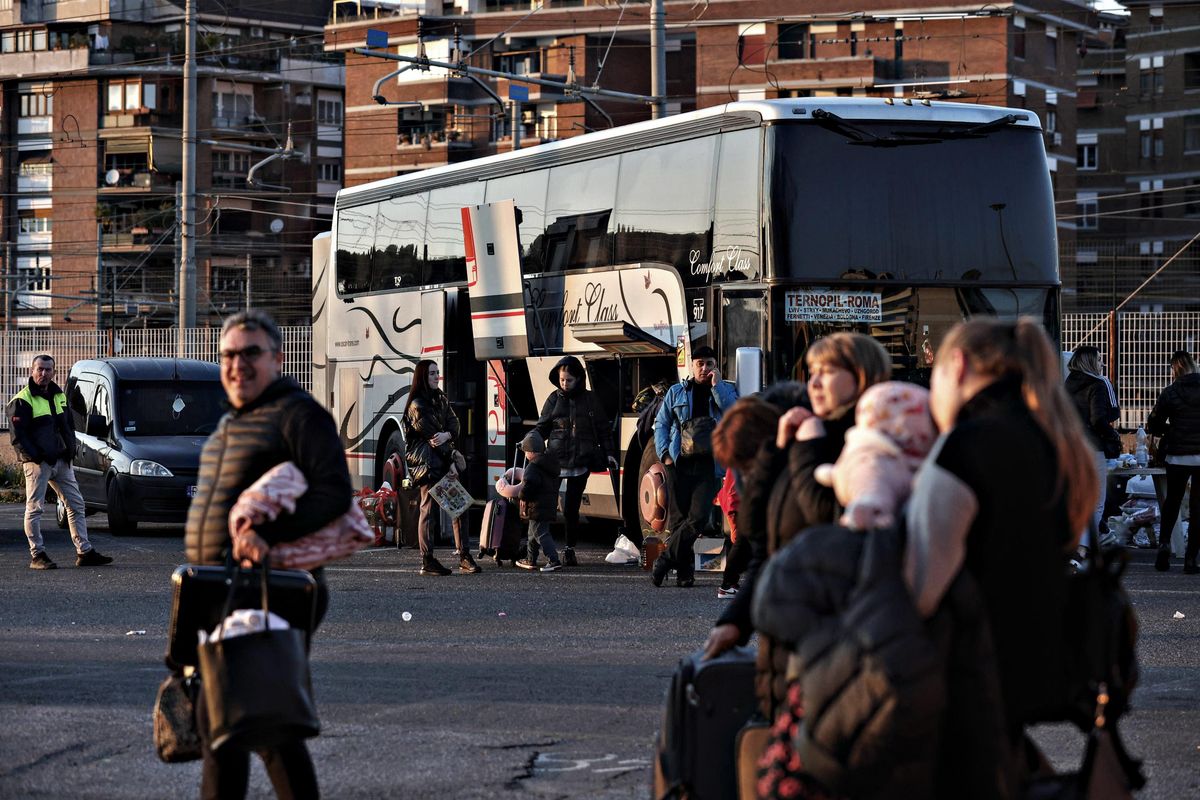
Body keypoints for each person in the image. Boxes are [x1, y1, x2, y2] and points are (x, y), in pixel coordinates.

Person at [904, 317, 1098, 776]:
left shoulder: (966, 447)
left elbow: (920, 590)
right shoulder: (1056, 442)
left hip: (961, 677)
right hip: (1029, 671)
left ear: (957, 365)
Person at [185, 309, 352, 800]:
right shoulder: (229, 423)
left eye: (250, 353)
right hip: (220, 591)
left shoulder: (298, 415)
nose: (237, 364)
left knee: (255, 721)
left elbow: (334, 492)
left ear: (276, 359)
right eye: (228, 355)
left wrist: (269, 534)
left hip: (272, 589)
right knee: (238, 726)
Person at [9, 354, 112, 570]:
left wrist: (70, 451)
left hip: (62, 461)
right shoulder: (22, 399)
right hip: (38, 464)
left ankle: (84, 552)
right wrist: (37, 457)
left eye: (48, 369)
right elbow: (18, 437)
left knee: (76, 504)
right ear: (32, 371)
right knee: (35, 509)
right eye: (40, 369)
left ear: (54, 372)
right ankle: (37, 555)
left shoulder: (59, 396)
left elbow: (68, 426)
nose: (44, 373)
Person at [652, 345, 739, 587]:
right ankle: (684, 574)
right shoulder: (677, 392)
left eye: (709, 364)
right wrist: (665, 455)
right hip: (679, 463)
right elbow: (661, 423)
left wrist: (717, 387)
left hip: (709, 465)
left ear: (716, 367)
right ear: (692, 365)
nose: (704, 368)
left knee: (698, 518)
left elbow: (734, 414)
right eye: (700, 363)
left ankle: (664, 560)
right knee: (679, 520)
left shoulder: (726, 390)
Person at [534, 356, 617, 567]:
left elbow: (603, 429)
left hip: (581, 461)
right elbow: (542, 427)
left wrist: (610, 453)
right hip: (555, 461)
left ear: (579, 378)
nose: (565, 384)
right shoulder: (553, 399)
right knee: (545, 506)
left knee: (571, 510)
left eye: (569, 380)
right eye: (562, 380)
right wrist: (530, 443)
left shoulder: (590, 399)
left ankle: (569, 549)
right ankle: (533, 549)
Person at [403, 359, 481, 577]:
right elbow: (432, 436)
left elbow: (454, 425)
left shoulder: (440, 398)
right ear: (422, 377)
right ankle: (427, 560)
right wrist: (452, 461)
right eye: (431, 373)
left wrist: (448, 435)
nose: (437, 376)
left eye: (437, 372)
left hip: (442, 462)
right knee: (428, 512)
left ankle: (464, 556)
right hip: (428, 465)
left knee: (459, 508)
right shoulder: (417, 405)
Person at [710, 396, 783, 599]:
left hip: (741, 501)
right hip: (743, 502)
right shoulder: (756, 442)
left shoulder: (746, 438)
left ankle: (733, 583)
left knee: (745, 543)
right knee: (745, 543)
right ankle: (729, 584)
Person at [1146, 349, 1200, 573]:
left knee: (1172, 501)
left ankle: (1165, 545)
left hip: (1177, 455)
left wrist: (1171, 429)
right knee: (1198, 507)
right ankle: (1191, 559)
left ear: (1174, 370)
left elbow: (1153, 424)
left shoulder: (1170, 391)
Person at [1064, 346, 1121, 543]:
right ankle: (1086, 547)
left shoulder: (1067, 385)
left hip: (1071, 447)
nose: (1102, 363)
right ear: (1089, 362)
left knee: (1077, 499)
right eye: (1098, 359)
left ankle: (1075, 543)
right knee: (1096, 501)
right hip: (1092, 447)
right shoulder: (1098, 384)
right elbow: (1100, 419)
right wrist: (1113, 435)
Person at [512, 431, 564, 572]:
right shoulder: (549, 464)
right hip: (547, 505)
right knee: (532, 534)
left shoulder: (533, 467)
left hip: (537, 506)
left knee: (541, 534)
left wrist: (522, 496)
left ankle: (553, 560)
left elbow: (529, 485)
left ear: (532, 452)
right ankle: (530, 559)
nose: (525, 454)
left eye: (526, 451)